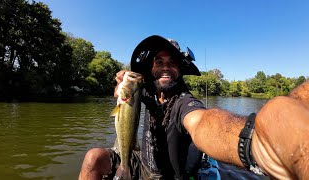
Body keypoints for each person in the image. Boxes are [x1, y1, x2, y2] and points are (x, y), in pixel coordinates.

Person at [79, 35, 309, 180]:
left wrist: (254, 142)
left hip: (164, 175)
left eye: (173, 63)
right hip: (143, 162)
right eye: (159, 62)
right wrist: (121, 85)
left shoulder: (184, 102)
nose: (166, 68)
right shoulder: (146, 91)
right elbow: (122, 101)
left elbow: (202, 122)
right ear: (151, 68)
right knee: (94, 158)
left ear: (181, 69)